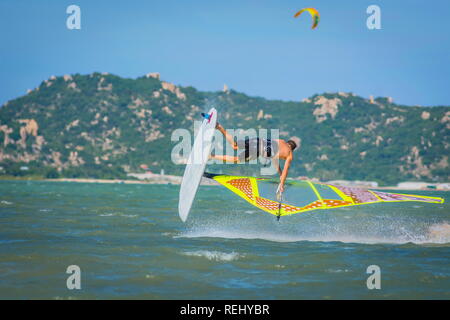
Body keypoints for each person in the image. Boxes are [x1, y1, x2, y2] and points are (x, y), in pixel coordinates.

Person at [210, 122, 298, 193]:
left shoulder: (281, 141)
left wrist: (280, 173)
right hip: (257, 150)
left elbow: (274, 159)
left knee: (235, 146)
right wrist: (282, 184)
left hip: (257, 140)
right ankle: (212, 156)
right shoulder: (289, 154)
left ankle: (219, 127)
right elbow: (286, 170)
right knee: (236, 159)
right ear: (291, 148)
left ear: (288, 143)